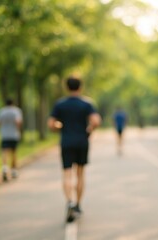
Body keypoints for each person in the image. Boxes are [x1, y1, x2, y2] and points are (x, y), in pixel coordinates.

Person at [48, 76, 101, 223]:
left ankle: (69, 202)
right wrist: (89, 129)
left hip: (66, 142)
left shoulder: (60, 104)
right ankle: (77, 205)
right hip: (82, 142)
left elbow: (51, 124)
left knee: (67, 174)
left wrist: (62, 126)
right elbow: (96, 121)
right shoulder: (87, 103)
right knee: (80, 174)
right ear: (80, 87)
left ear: (66, 87)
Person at [0, 99, 23, 182]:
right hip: (14, 135)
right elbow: (18, 122)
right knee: (14, 152)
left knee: (4, 152)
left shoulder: (1, 111)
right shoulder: (16, 111)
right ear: (13, 104)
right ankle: (14, 171)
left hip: (4, 135)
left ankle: (4, 168)